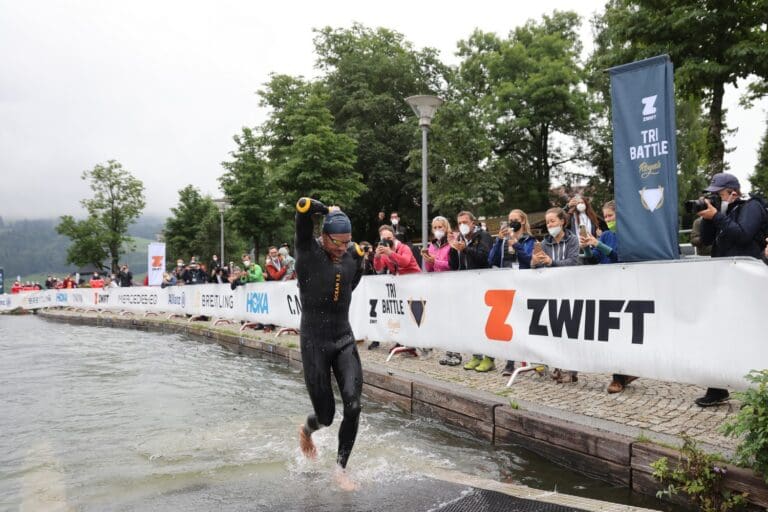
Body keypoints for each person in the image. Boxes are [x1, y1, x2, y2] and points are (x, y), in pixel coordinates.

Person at [294, 197, 364, 491]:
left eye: (347, 242)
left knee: (354, 404)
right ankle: (306, 430)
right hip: (314, 343)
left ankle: (340, 469)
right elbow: (302, 207)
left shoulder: (353, 256)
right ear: (323, 237)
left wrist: (354, 251)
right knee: (326, 416)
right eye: (337, 242)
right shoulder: (307, 253)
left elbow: (349, 285)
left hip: (343, 339)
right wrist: (327, 210)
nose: (342, 248)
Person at [694, 172, 766, 407]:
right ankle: (717, 388)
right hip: (724, 280)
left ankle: (757, 390)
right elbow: (705, 240)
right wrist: (708, 217)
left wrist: (718, 217)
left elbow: (744, 235)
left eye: (718, 194)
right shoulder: (721, 212)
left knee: (750, 335)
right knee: (719, 332)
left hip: (747, 281)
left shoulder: (752, 207)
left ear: (732, 192)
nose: (714, 197)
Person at [580, 200, 637, 393]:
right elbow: (592, 259)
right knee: (611, 333)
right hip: (606, 287)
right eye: (605, 217)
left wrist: (599, 245)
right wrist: (587, 246)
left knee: (622, 332)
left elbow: (621, 256)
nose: (607, 219)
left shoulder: (630, 234)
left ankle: (618, 377)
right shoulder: (605, 234)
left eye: (610, 216)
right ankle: (621, 374)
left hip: (624, 286)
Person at [533, 207, 580, 383]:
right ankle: (558, 366)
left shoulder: (573, 240)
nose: (549, 225)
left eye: (552, 221)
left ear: (562, 221)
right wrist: (534, 262)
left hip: (569, 289)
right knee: (554, 330)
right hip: (551, 290)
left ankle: (572, 370)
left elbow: (573, 262)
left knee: (569, 330)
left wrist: (552, 262)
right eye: (547, 222)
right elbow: (538, 267)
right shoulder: (544, 243)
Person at [488, 209, 536, 375]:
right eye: (509, 220)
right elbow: (491, 260)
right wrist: (498, 241)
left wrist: (516, 244)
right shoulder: (503, 240)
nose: (511, 223)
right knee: (510, 322)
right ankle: (510, 362)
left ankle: (534, 359)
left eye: (515, 220)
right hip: (506, 283)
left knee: (524, 322)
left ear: (522, 221)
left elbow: (529, 259)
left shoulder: (530, 240)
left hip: (523, 283)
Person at [449, 210, 494, 372]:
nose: (462, 226)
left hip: (483, 284)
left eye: (465, 222)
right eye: (459, 223)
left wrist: (465, 249)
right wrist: (453, 249)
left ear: (472, 223)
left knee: (485, 323)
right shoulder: (460, 239)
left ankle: (489, 357)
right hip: (466, 286)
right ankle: (476, 356)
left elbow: (485, 257)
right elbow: (454, 265)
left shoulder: (483, 236)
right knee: (471, 323)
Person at [422, 216, 461, 366]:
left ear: (446, 228)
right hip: (438, 286)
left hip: (451, 284)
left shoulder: (451, 242)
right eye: (435, 227)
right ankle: (447, 351)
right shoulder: (432, 245)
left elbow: (452, 264)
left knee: (453, 319)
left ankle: (456, 352)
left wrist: (435, 261)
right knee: (444, 320)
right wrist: (427, 259)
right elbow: (431, 269)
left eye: (441, 227)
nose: (438, 230)